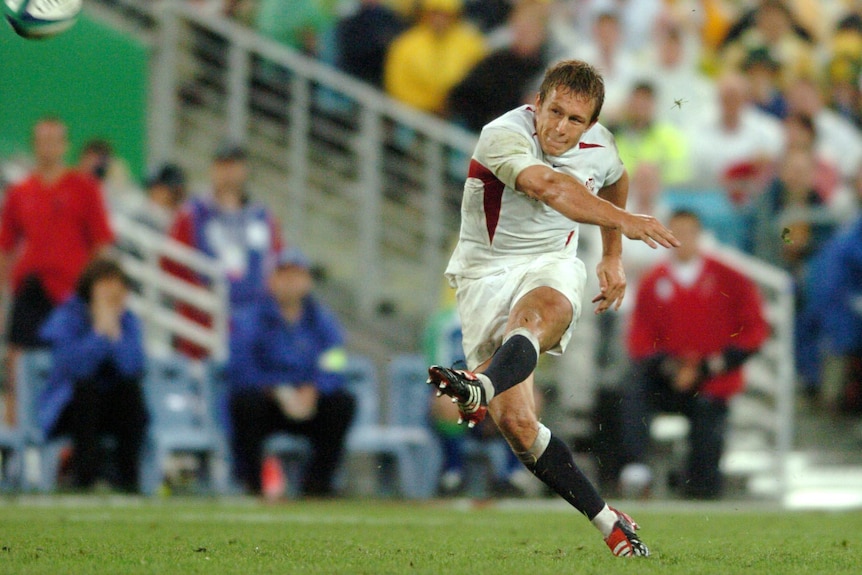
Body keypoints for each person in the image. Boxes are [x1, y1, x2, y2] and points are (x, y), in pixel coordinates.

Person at [426, 59, 679, 557]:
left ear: (591, 123)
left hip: (551, 262)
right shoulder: (502, 135)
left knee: (540, 310)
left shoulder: (601, 144)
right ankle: (610, 518)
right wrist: (623, 222)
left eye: (575, 120)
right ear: (537, 103)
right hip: (484, 275)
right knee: (518, 427)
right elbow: (550, 188)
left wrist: (609, 256)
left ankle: (479, 384)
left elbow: (615, 177)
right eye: (555, 111)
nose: (561, 128)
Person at [619, 210, 769, 500]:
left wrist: (711, 365)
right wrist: (670, 367)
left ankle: (702, 491)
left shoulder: (729, 278)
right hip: (669, 378)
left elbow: (753, 329)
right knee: (633, 389)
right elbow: (640, 337)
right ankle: (635, 468)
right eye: (676, 233)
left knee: (707, 432)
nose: (682, 240)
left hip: (713, 378)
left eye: (688, 233)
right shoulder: (654, 282)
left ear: (699, 236)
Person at [0, 117, 115, 424]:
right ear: (34, 145)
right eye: (42, 140)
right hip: (30, 291)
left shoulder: (84, 188)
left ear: (65, 146)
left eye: (54, 140)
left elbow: (101, 245)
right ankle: (13, 443)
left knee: (73, 369)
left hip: (69, 296)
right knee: (16, 369)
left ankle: (68, 448)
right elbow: (6, 248)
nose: (48, 147)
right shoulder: (20, 191)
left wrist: (98, 296)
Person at [225, 246, 356, 497]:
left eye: (296, 276)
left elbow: (336, 361)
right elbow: (241, 367)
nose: (290, 283)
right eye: (283, 275)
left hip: (309, 399)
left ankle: (317, 485)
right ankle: (253, 483)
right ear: (271, 280)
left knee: (342, 403)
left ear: (307, 281)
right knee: (244, 403)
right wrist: (276, 390)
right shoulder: (248, 319)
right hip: (268, 401)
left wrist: (315, 389)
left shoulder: (322, 321)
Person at [37, 258, 148, 493]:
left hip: (111, 409)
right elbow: (75, 368)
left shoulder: (129, 322)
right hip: (69, 407)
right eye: (105, 284)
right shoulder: (67, 317)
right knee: (86, 390)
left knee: (130, 391)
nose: (112, 292)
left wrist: (115, 334)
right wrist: (99, 332)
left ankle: (128, 478)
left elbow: (133, 368)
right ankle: (84, 476)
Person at [165, 141, 283, 358]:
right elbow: (172, 262)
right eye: (222, 166)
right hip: (203, 322)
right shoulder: (192, 214)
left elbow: (278, 263)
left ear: (245, 170)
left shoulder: (263, 218)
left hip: (254, 322)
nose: (228, 173)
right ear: (213, 170)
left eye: (234, 166)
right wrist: (199, 298)